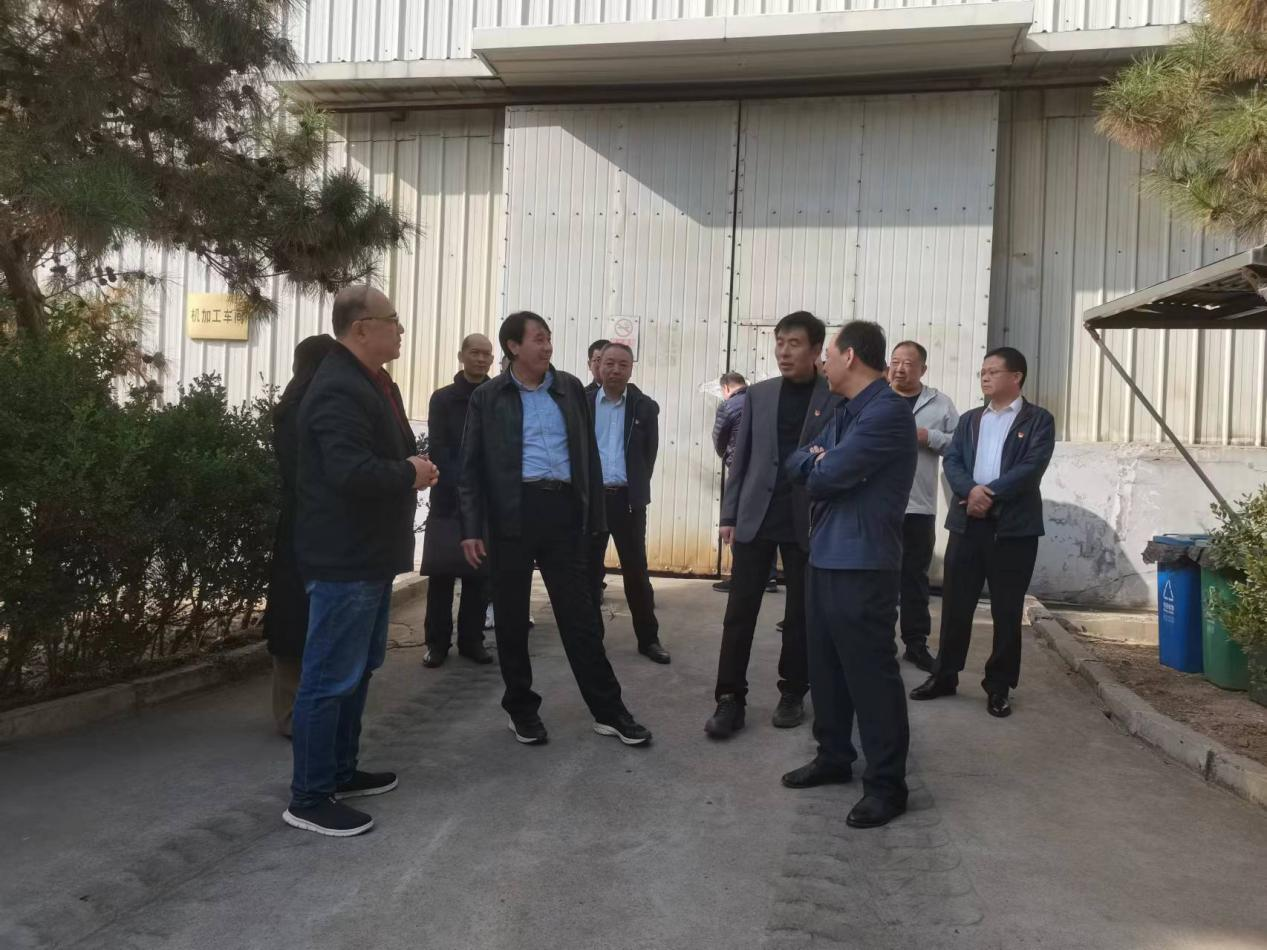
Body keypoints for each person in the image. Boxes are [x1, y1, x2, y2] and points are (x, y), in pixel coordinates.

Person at [284, 286, 439, 837]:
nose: (401, 329)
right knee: (329, 678)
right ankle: (310, 796)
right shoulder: (338, 388)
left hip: (368, 556)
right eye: (392, 320)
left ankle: (340, 772)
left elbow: (377, 453)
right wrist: (409, 473)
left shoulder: (372, 381)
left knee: (357, 670)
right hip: (343, 558)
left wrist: (409, 462)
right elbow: (348, 471)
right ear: (360, 329)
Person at [459, 312, 651, 747]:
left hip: (562, 512)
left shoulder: (568, 389)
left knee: (580, 617)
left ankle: (609, 711)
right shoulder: (489, 396)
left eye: (549, 339)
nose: (547, 347)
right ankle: (522, 710)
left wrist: (594, 516)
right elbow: (470, 466)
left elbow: (589, 457)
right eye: (538, 339)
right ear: (513, 347)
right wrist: (471, 528)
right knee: (511, 618)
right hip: (511, 513)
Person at [782, 320, 917, 830]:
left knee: (870, 675)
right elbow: (798, 461)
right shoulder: (844, 410)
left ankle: (886, 785)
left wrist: (820, 464)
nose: (823, 363)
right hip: (825, 555)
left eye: (829, 354)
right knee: (826, 667)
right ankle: (833, 755)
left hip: (863, 562)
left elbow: (826, 476)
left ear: (851, 356)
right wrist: (818, 462)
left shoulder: (887, 413)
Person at [706, 311, 837, 739]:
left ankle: (793, 691)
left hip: (807, 520)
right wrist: (729, 514)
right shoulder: (759, 394)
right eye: (780, 342)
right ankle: (730, 698)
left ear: (816, 350)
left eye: (794, 343)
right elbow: (739, 458)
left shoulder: (834, 396)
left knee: (801, 614)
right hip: (756, 516)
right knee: (739, 613)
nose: (784, 351)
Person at [910, 347, 1055, 719]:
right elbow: (953, 460)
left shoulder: (1038, 420)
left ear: (1016, 376)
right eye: (982, 372)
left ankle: (999, 686)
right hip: (967, 523)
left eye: (993, 371)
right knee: (956, 605)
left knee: (1007, 610)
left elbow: (1031, 467)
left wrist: (988, 494)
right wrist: (970, 492)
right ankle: (944, 675)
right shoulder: (971, 419)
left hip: (1013, 530)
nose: (985, 377)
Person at [263, 333, 339, 738]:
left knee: (294, 617)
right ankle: (296, 714)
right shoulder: (310, 412)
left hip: (297, 522)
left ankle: (293, 711)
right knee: (302, 618)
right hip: (313, 524)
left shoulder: (290, 408)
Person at [584, 343, 670, 664]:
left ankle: (649, 639)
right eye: (609, 363)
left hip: (627, 502)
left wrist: (635, 490)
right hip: (592, 501)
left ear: (631, 368)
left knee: (636, 574)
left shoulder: (643, 408)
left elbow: (649, 456)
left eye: (623, 364)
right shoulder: (582, 403)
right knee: (589, 573)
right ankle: (591, 641)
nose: (615, 370)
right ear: (598, 365)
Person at [422, 333, 496, 669]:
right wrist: (464, 483)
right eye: (475, 353)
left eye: (486, 354)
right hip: (448, 498)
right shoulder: (442, 399)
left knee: (479, 576)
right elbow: (439, 447)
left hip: (486, 500)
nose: (481, 359)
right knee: (441, 574)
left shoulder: (499, 397)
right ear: (461, 355)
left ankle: (472, 640)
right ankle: (436, 643)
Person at [888, 341, 960, 672]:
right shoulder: (876, 398)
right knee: (879, 577)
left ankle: (915, 644)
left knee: (915, 578)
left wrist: (929, 436)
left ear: (923, 369)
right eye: (895, 361)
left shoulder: (940, 403)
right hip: (879, 505)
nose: (900, 368)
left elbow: (959, 446)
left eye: (908, 363)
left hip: (919, 507)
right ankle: (880, 640)